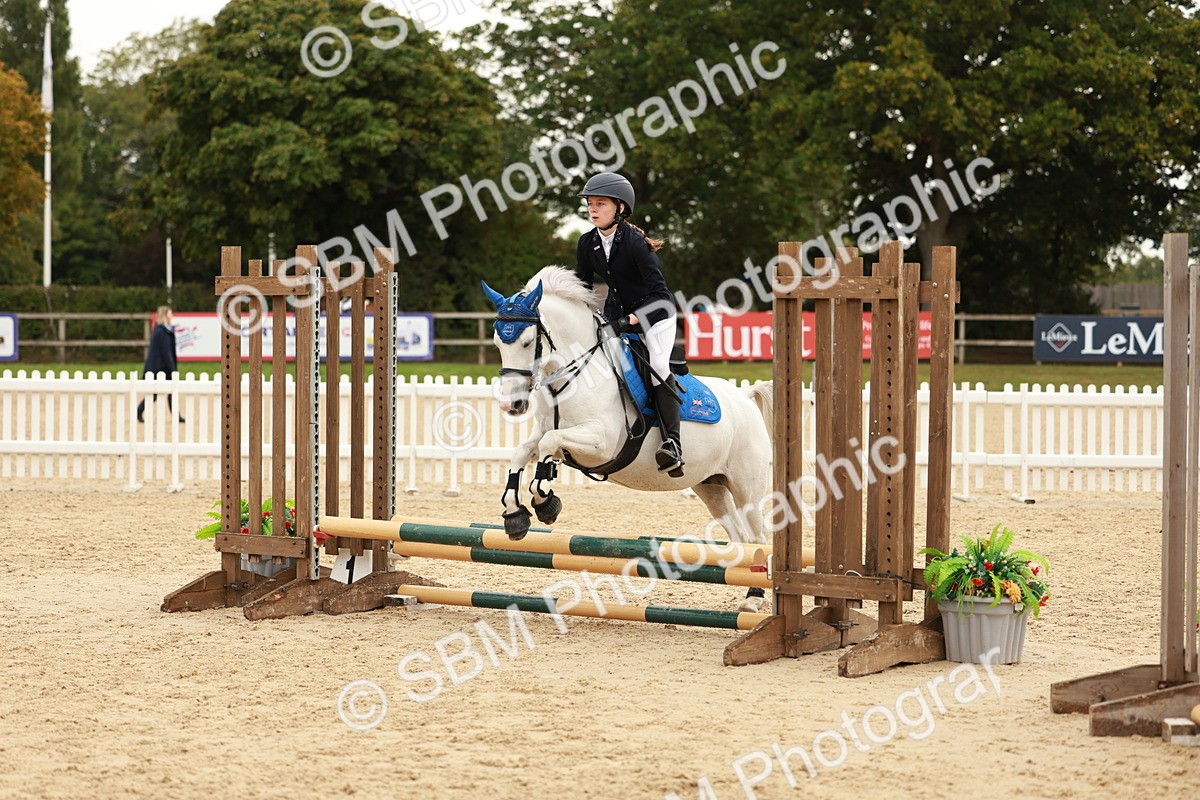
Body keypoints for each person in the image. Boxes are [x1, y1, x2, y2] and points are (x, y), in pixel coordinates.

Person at [574, 171, 684, 474]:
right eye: (590, 204)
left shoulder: (634, 243)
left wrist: (631, 320)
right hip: (616, 316)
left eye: (600, 204)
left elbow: (661, 295)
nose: (593, 209)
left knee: (659, 366)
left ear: (620, 208)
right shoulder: (587, 244)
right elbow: (582, 289)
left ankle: (672, 443)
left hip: (655, 316)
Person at [137, 305, 183, 423]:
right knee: (160, 392)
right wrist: (172, 369)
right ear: (165, 315)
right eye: (170, 313)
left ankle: (176, 415)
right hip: (160, 368)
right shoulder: (162, 332)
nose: (172, 316)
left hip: (159, 367)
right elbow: (166, 352)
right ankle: (139, 410)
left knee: (166, 392)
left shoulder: (161, 331)